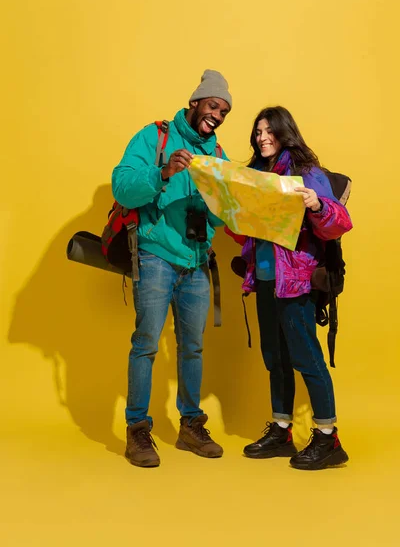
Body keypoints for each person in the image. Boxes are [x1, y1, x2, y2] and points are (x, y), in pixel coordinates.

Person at [112, 70, 232, 467]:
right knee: (146, 343)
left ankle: (190, 427)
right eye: (213, 105)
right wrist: (164, 173)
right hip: (156, 255)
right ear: (195, 102)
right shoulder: (156, 136)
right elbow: (122, 185)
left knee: (192, 348)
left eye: (225, 111)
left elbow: (223, 215)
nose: (218, 114)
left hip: (196, 262)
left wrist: (227, 204)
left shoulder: (218, 154)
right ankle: (137, 431)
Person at [227, 106, 352, 470]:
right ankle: (281, 429)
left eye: (269, 131)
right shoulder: (254, 175)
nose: (262, 137)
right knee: (275, 358)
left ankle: (328, 438)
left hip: (296, 282)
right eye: (258, 132)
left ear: (285, 133)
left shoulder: (306, 172)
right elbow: (243, 232)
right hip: (264, 278)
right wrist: (231, 210)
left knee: (306, 357)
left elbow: (338, 222)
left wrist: (316, 204)